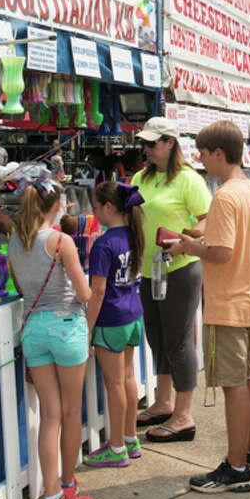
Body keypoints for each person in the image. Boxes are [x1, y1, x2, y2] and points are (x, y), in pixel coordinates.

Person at [167, 122, 250, 493]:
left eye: (202, 152)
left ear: (218, 153)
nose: (199, 159)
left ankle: (236, 467)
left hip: (228, 302)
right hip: (249, 298)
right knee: (247, 377)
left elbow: (222, 252)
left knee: (233, 384)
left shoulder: (226, 196)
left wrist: (189, 248)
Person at [8, 172, 93, 499]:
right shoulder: (60, 242)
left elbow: (20, 288)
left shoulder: (15, 241)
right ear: (57, 205)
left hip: (33, 331)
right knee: (72, 414)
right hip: (66, 328)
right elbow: (85, 293)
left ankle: (51, 496)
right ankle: (68, 487)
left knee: (50, 415)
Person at [131, 117, 211, 441]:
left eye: (152, 143)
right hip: (150, 269)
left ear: (169, 143)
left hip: (180, 267)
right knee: (158, 338)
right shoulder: (140, 177)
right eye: (145, 144)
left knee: (179, 341)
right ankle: (163, 402)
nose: (147, 149)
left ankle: (183, 414)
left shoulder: (188, 180)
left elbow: (208, 221)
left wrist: (186, 242)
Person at [83, 182, 145, 467]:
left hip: (111, 319)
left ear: (109, 208)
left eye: (95, 208)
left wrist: (86, 328)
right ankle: (130, 438)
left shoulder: (103, 244)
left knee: (115, 384)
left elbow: (96, 292)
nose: (94, 214)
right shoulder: (134, 234)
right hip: (133, 314)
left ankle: (117, 446)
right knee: (129, 378)